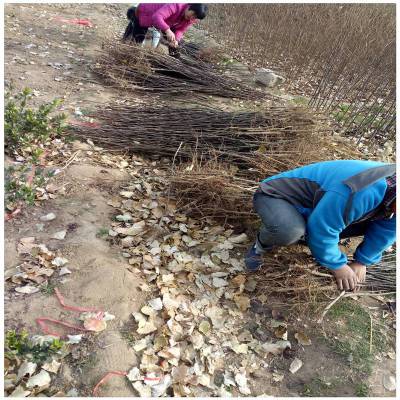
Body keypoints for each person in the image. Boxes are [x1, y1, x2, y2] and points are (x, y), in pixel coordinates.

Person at [245, 160, 396, 291]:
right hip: (276, 196)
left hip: (316, 208)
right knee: (289, 230)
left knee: (365, 224)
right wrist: (337, 265)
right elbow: (322, 229)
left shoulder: (394, 194)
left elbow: (386, 231)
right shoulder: (361, 191)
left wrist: (362, 261)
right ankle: (261, 244)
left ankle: (305, 236)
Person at [123, 3, 208, 54]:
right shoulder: (176, 5)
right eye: (193, 14)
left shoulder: (190, 19)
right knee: (137, 40)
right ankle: (125, 49)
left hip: (161, 21)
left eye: (195, 17)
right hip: (145, 12)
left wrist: (176, 40)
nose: (191, 17)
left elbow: (181, 29)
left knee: (171, 39)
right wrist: (167, 30)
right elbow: (157, 16)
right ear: (190, 6)